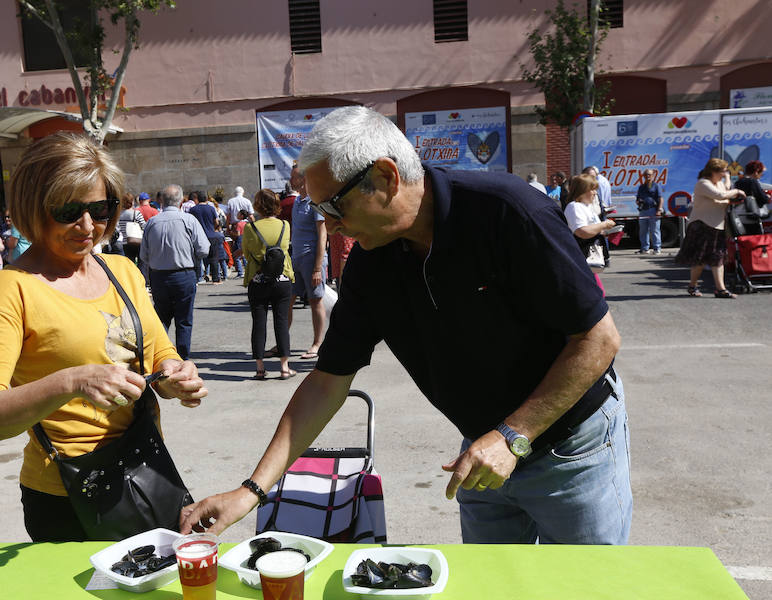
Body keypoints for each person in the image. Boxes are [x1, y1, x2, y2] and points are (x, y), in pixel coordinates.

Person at [180, 106, 629, 546]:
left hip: (571, 448)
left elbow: (598, 337)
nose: (331, 226)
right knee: (494, 588)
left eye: (334, 206)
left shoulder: (507, 212)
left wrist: (513, 436)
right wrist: (251, 491)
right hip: (480, 451)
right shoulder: (372, 263)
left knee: (587, 587)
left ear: (386, 177)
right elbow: (327, 381)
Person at [0, 132, 208, 543]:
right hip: (69, 496)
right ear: (33, 207)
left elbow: (158, 348)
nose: (88, 226)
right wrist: (73, 381)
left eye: (101, 208)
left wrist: (174, 373)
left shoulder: (120, 270)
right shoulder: (13, 286)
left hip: (147, 470)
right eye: (69, 210)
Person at [139, 185, 209, 361]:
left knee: (161, 317)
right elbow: (203, 249)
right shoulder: (188, 220)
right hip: (183, 274)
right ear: (180, 201)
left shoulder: (152, 223)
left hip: (159, 276)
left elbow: (144, 255)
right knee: (184, 320)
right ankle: (182, 357)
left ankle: (160, 356)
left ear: (161, 200)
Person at [242, 189, 296, 380]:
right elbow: (286, 248)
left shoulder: (250, 228)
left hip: (258, 280)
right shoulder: (285, 225)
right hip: (282, 280)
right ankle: (284, 367)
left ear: (257, 206)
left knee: (259, 323)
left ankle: (260, 368)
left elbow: (247, 254)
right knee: (281, 322)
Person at [675, 158, 745, 298]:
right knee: (700, 259)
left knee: (718, 258)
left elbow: (725, 191)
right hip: (701, 225)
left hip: (717, 225)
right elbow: (721, 195)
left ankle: (720, 289)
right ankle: (693, 286)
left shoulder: (718, 183)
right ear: (714, 171)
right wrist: (736, 190)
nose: (725, 173)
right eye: (723, 171)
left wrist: (727, 179)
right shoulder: (703, 183)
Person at [286, 165, 327, 360]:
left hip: (312, 258)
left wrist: (318, 268)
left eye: (293, 176)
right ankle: (282, 342)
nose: (290, 179)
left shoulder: (315, 201)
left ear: (302, 179)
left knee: (315, 301)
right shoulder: (297, 201)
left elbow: (322, 235)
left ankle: (317, 343)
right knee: (287, 300)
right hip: (296, 259)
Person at [564, 175, 617, 294]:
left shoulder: (586, 207)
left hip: (590, 259)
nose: (595, 193)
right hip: (581, 259)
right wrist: (603, 225)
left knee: (597, 293)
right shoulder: (574, 207)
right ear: (582, 190)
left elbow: (592, 229)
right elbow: (582, 231)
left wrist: (605, 231)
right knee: (595, 294)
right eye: (592, 189)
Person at [189, 191, 219, 282]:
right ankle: (215, 278)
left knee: (197, 258)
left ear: (197, 199)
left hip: (198, 236)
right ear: (206, 199)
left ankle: (198, 278)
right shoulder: (211, 208)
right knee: (213, 258)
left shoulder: (193, 209)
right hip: (211, 235)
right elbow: (216, 222)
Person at [634, 169, 664, 255]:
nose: (648, 176)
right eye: (646, 175)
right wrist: (639, 201)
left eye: (649, 175)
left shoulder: (656, 186)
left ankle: (657, 248)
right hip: (643, 210)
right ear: (643, 176)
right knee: (643, 230)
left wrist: (659, 210)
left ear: (653, 176)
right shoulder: (641, 187)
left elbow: (660, 198)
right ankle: (645, 248)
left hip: (653, 210)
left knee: (655, 230)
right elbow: (637, 198)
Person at [117, 192, 146, 264]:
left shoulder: (118, 214)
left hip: (124, 243)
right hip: (136, 241)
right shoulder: (136, 213)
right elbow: (144, 226)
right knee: (141, 264)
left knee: (129, 264)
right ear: (132, 202)